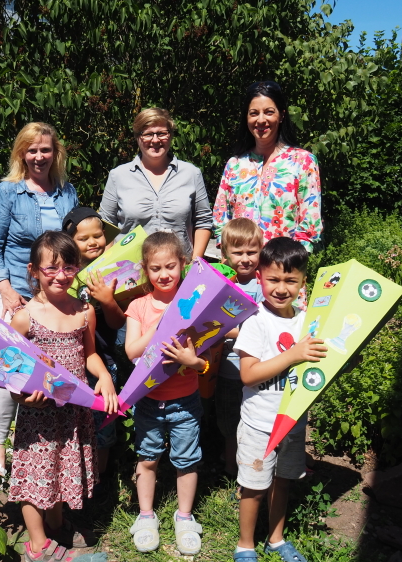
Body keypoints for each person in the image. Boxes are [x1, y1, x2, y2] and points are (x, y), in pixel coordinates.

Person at [8, 231, 116, 562]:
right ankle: (38, 546)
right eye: (51, 268)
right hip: (37, 414)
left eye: (68, 267)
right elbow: (7, 369)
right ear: (34, 270)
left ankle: (56, 525)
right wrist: (23, 399)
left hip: (73, 412)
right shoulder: (25, 317)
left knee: (58, 467)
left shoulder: (85, 311)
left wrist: (106, 377)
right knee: (35, 473)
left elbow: (90, 355)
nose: (60, 275)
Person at [0, 123, 79, 478]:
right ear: (21, 153)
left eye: (46, 150)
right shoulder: (8, 192)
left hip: (56, 293)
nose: (39, 157)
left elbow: (73, 244)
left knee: (54, 366)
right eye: (32, 150)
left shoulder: (67, 192)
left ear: (56, 153)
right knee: (9, 372)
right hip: (19, 293)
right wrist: (5, 288)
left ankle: (49, 440)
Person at [232, 237, 327, 562]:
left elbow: (324, 358)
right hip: (259, 424)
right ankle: (245, 545)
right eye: (273, 279)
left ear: (303, 281)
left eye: (291, 280)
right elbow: (248, 374)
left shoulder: (306, 321)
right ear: (260, 277)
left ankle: (276, 539)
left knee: (283, 482)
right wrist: (293, 356)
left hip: (292, 422)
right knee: (254, 488)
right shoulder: (255, 321)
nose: (281, 287)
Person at [125, 232, 206, 556]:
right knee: (147, 459)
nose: (164, 274)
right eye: (156, 268)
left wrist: (193, 361)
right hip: (148, 401)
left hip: (186, 400)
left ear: (183, 264)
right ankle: (146, 516)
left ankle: (184, 516)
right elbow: (131, 351)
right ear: (146, 269)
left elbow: (205, 361)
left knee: (187, 460)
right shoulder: (138, 306)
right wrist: (159, 325)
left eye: (170, 266)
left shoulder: (196, 304)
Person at [212, 81, 323, 254]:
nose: (261, 120)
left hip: (282, 272)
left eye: (269, 112)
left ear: (282, 115)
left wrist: (292, 263)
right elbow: (221, 217)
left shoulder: (303, 161)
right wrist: (227, 254)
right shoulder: (234, 165)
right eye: (254, 113)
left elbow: (310, 222)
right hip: (239, 272)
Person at [62, 207, 125, 484]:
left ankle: (100, 480)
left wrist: (108, 300)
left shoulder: (117, 267)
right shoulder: (66, 276)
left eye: (97, 235)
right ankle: (81, 473)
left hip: (108, 356)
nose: (92, 242)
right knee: (78, 419)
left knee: (105, 417)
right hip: (77, 358)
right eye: (83, 238)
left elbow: (116, 323)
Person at [99, 108, 212, 259]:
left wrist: (195, 261)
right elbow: (106, 226)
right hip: (130, 271)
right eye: (147, 134)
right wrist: (109, 266)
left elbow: (203, 221)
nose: (155, 140)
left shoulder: (191, 174)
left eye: (161, 133)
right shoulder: (118, 176)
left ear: (170, 135)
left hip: (178, 269)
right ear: (137, 137)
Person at [214, 218, 264, 477]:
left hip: (252, 369)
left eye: (251, 252)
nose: (245, 258)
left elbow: (261, 328)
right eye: (238, 252)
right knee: (228, 420)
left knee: (250, 420)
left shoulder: (263, 286)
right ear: (224, 253)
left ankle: (245, 466)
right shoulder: (221, 283)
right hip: (225, 367)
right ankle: (231, 466)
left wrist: (226, 329)